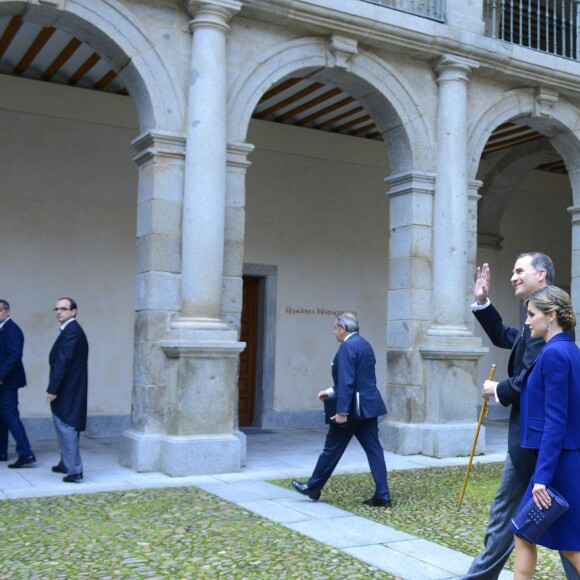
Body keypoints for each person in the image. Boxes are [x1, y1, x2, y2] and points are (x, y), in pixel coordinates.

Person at [463, 253, 579, 580]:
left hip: (539, 447)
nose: (513, 277)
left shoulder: (553, 345)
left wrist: (498, 389)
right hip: (543, 447)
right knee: (527, 529)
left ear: (541, 274)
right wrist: (483, 302)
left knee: (555, 536)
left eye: (519, 271)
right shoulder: (551, 332)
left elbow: (541, 396)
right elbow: (506, 336)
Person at [511, 286, 580, 578]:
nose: (527, 321)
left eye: (531, 314)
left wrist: (542, 477)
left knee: (569, 546)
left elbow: (555, 420)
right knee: (525, 532)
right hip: (566, 458)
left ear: (551, 316)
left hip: (560, 462)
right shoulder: (570, 349)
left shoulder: (554, 354)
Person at [291, 312, 391, 507]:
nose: (334, 332)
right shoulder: (364, 344)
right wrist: (329, 392)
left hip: (353, 409)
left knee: (331, 448)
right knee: (374, 451)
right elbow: (360, 378)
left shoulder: (347, 347)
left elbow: (347, 381)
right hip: (369, 407)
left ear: (343, 329)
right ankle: (383, 494)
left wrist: (342, 412)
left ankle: (313, 486)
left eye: (335, 328)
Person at [46, 297, 89, 483]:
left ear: (74, 311)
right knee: (65, 425)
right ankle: (66, 463)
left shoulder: (71, 332)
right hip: (70, 387)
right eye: (56, 309)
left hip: (68, 388)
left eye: (63, 309)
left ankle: (75, 470)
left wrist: (52, 389)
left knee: (66, 426)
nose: (58, 312)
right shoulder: (70, 330)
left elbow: (63, 363)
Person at [0, 299, 36, 468]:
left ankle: (26, 453)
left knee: (10, 415)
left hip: (7, 381)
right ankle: (1, 451)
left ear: (7, 312)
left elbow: (15, 355)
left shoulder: (12, 329)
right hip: (4, 380)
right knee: (2, 416)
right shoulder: (3, 328)